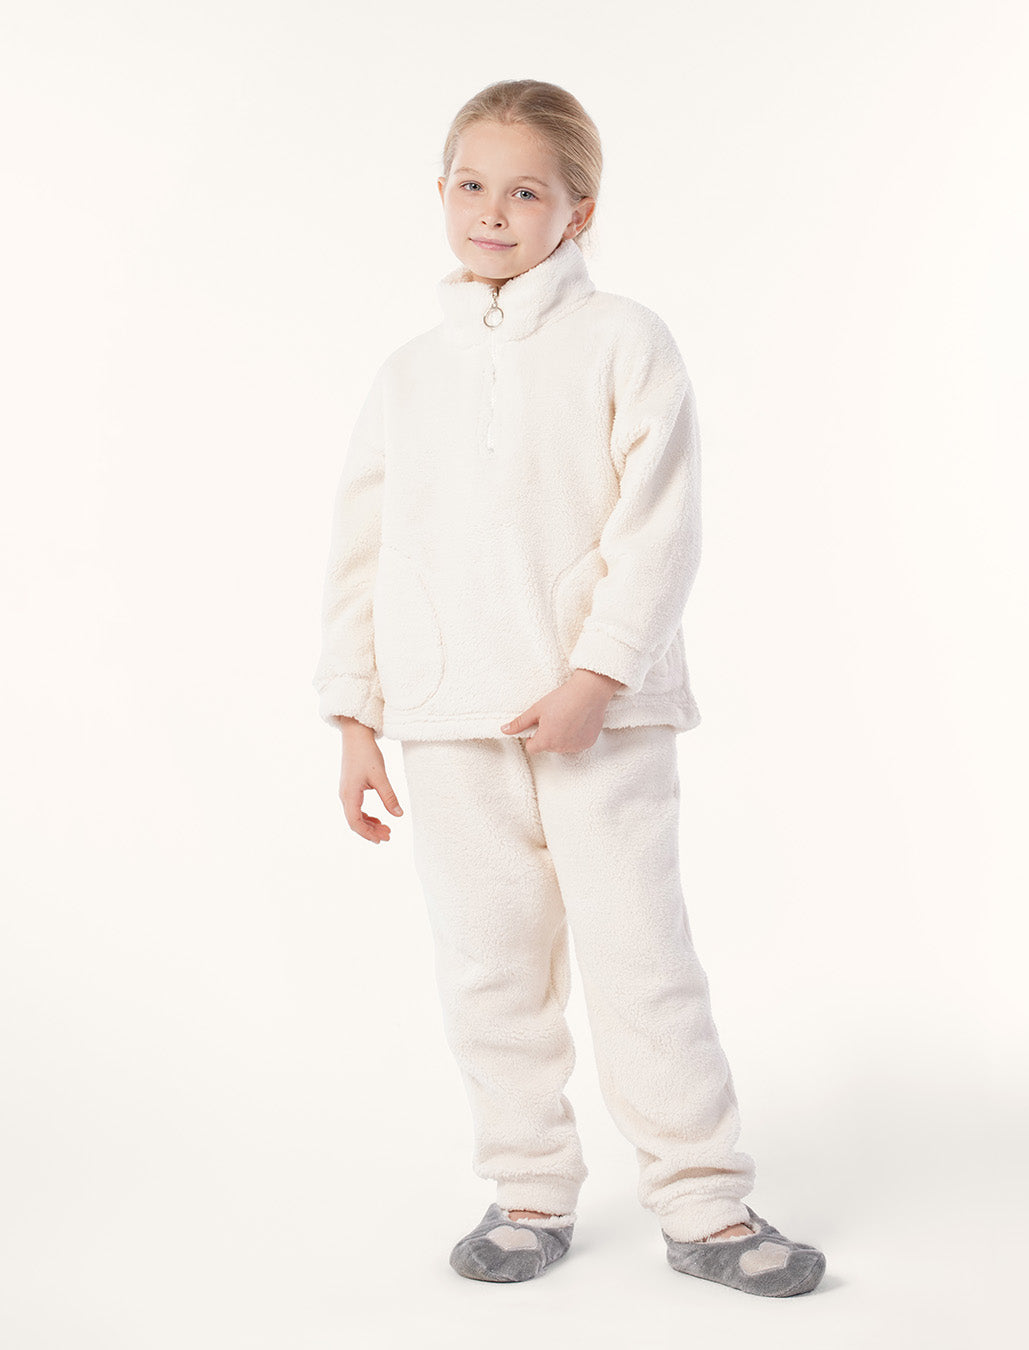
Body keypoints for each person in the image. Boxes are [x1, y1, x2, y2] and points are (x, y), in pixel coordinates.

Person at [312, 79, 826, 1296]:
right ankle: (528, 1188)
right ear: (442, 193)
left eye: (525, 191)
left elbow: (662, 522)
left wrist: (599, 672)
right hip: (448, 723)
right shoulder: (406, 375)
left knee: (641, 962)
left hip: (602, 720)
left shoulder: (624, 341)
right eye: (471, 185)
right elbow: (361, 550)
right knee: (490, 970)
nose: (492, 212)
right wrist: (357, 716)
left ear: (577, 212)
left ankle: (704, 1204)